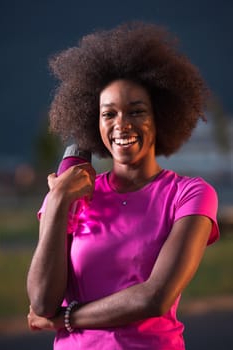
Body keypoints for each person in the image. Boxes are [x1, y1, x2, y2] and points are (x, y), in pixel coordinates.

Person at [27, 22, 219, 349]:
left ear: (160, 117)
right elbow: (42, 302)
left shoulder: (190, 195)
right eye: (109, 114)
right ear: (93, 121)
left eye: (136, 111)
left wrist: (66, 318)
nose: (121, 125)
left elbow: (154, 297)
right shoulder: (69, 194)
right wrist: (58, 198)